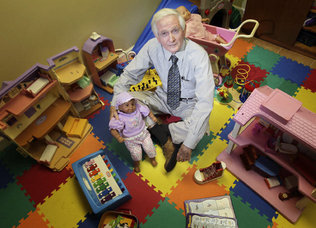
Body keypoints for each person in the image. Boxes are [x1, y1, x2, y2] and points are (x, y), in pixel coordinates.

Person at [110, 8, 215, 172]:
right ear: (157, 37)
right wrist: (114, 103)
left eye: (175, 30)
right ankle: (166, 140)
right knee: (124, 102)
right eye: (164, 33)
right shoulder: (152, 46)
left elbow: (205, 103)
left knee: (203, 125)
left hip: (189, 104)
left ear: (184, 30)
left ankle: (159, 130)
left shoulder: (199, 56)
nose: (171, 39)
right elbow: (129, 75)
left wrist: (188, 145)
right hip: (162, 96)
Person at [109, 92, 158, 173]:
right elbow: (112, 129)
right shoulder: (119, 117)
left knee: (150, 148)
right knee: (136, 154)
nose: (131, 107)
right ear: (119, 107)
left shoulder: (138, 108)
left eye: (132, 104)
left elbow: (147, 111)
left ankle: (152, 158)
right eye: (127, 105)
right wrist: (118, 137)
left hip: (143, 134)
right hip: (131, 140)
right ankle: (136, 163)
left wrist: (152, 117)